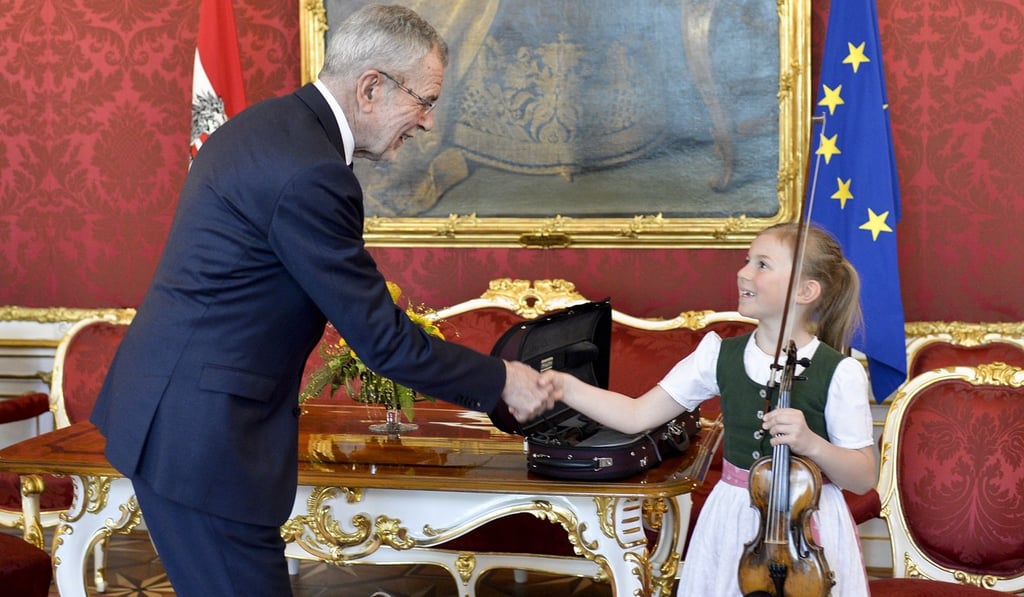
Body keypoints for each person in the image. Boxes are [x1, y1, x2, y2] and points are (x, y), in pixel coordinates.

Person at [89, 5, 553, 596]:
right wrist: (501, 381)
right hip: (203, 440)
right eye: (425, 100)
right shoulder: (310, 171)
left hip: (184, 420)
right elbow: (383, 341)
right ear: (371, 86)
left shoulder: (274, 128)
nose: (429, 123)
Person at [544, 223, 876, 596]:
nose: (743, 272)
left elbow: (863, 477)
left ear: (805, 291)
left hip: (809, 532)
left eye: (762, 264)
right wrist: (566, 387)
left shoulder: (840, 372)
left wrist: (812, 444)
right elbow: (636, 415)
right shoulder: (717, 356)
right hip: (733, 520)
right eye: (747, 260)